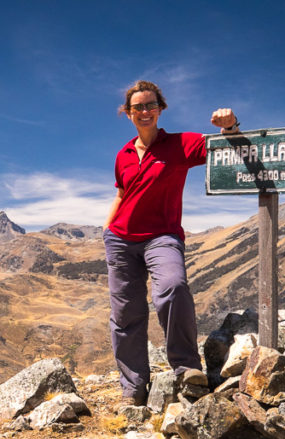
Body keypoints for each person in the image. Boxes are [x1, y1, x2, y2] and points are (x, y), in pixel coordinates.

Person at [102, 79, 240, 406]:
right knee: (125, 314)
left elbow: (226, 146)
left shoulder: (180, 144)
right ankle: (133, 389)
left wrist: (231, 125)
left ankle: (187, 368)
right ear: (128, 113)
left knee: (173, 288)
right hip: (121, 240)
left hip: (162, 237)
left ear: (160, 109)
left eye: (151, 105)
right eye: (138, 107)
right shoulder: (123, 154)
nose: (145, 111)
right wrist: (107, 229)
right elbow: (121, 193)